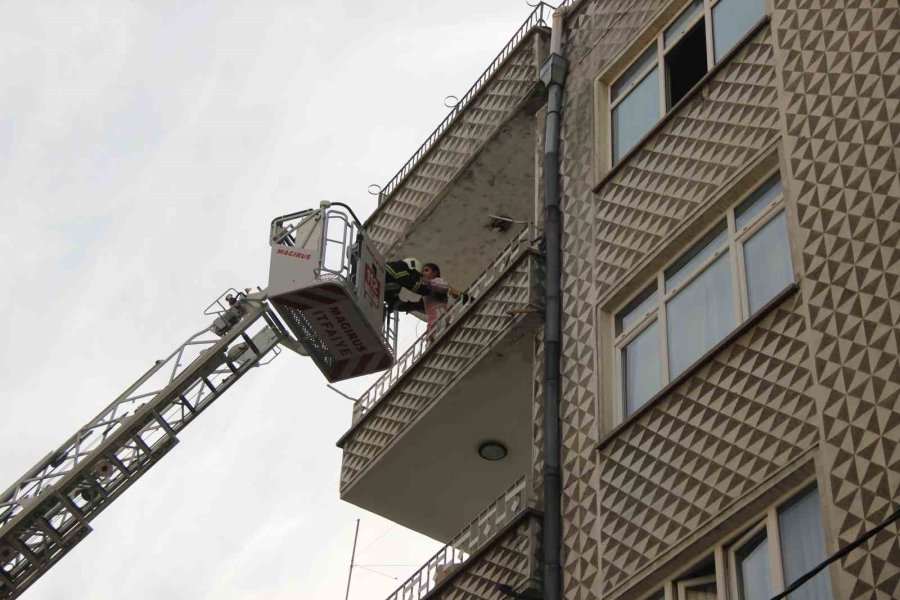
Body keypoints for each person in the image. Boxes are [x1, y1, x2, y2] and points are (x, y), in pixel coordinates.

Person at [395, 262, 470, 342]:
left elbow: (445, 287)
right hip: (431, 319)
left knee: (439, 336)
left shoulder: (436, 281)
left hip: (439, 314)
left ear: (435, 273)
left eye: (426, 270)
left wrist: (429, 282)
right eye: (423, 271)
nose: (423, 273)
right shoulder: (426, 290)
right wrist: (413, 308)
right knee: (430, 339)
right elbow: (425, 309)